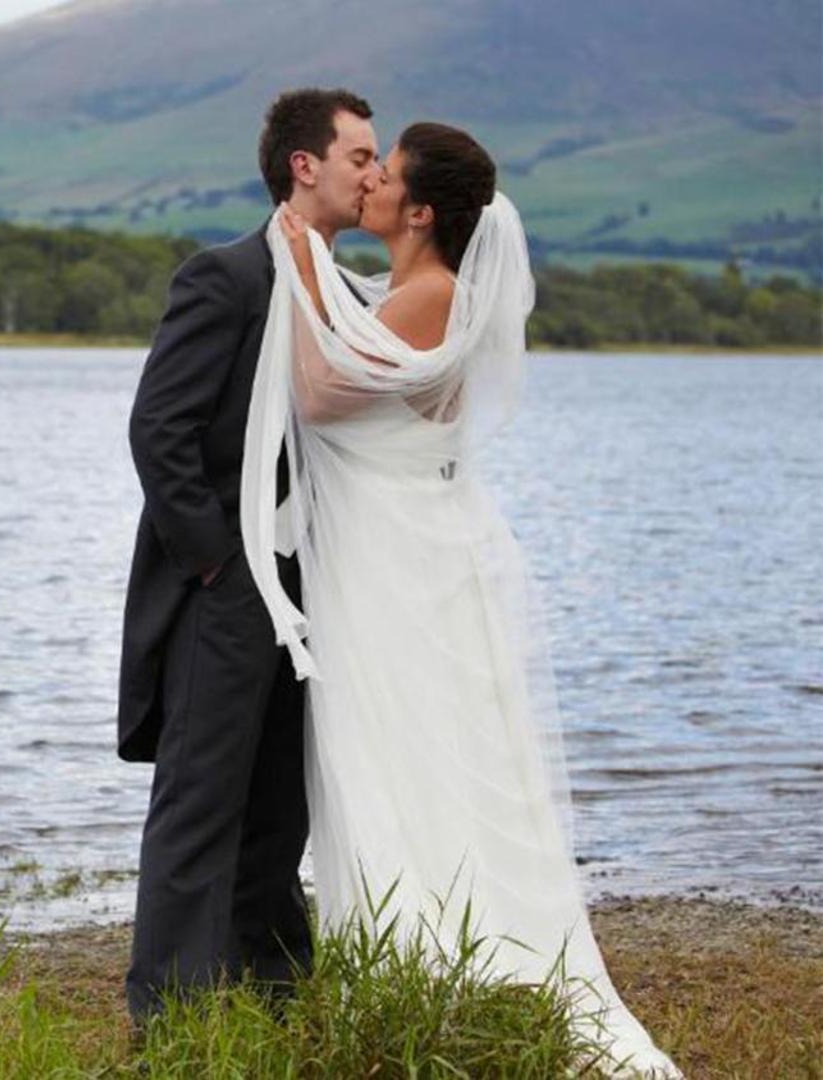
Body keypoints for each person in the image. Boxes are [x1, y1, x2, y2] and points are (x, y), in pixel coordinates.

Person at [251, 121, 682, 1077]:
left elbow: (321, 393)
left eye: (386, 175)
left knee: (407, 745)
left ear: (420, 212)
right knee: (406, 747)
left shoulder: (434, 293)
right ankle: (426, 967)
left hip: (401, 559)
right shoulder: (412, 290)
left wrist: (303, 253)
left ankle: (440, 966)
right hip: (399, 549)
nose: (367, 185)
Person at [118, 87, 381, 1021]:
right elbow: (159, 430)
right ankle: (170, 1020)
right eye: (358, 157)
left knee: (279, 811)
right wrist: (217, 566)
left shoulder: (345, 294)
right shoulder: (223, 278)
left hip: (313, 590)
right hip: (224, 587)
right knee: (198, 804)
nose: (373, 175)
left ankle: (275, 999)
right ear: (303, 165)